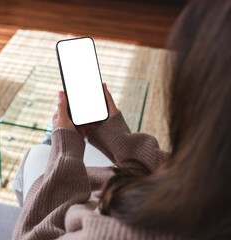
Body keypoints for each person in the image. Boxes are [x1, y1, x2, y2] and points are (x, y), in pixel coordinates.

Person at [12, 0, 231, 239]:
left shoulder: (121, 232)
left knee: (36, 156)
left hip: (92, 202)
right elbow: (175, 171)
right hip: (129, 187)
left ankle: (51, 141)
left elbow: (33, 234)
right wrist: (116, 136)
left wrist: (65, 152)